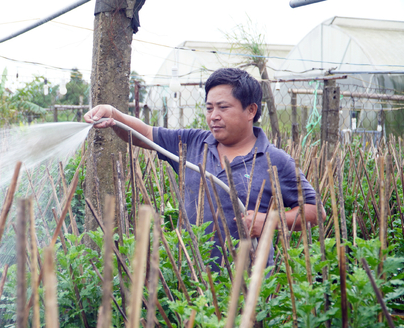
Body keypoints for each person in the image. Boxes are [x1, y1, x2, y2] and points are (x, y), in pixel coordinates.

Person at [84, 67, 324, 267]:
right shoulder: (193, 143)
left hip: (250, 282)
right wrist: (114, 114)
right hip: (191, 278)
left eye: (223, 107)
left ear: (251, 110)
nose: (213, 116)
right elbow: (145, 133)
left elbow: (315, 212)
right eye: (209, 108)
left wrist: (270, 221)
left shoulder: (274, 160)